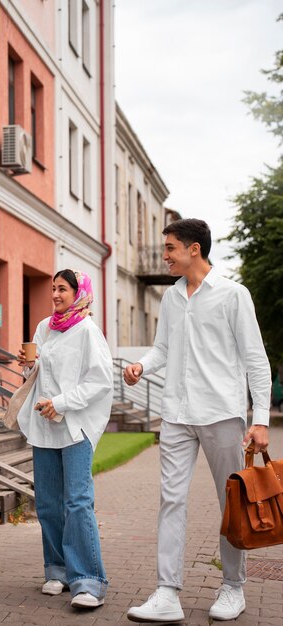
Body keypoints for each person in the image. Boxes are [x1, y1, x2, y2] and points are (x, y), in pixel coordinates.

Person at [124, 219, 271, 623]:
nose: (165, 255)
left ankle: (233, 587)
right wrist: (141, 366)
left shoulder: (233, 295)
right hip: (176, 414)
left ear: (194, 250)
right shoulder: (171, 297)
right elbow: (162, 350)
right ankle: (167, 591)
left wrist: (260, 419)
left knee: (231, 502)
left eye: (170, 247)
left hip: (221, 413)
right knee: (170, 499)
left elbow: (256, 360)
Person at [16, 269, 113, 609]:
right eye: (53, 288)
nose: (55, 294)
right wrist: (28, 366)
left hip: (75, 428)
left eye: (62, 289)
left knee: (77, 502)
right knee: (47, 504)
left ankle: (88, 580)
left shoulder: (87, 330)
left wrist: (61, 403)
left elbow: (100, 381)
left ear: (78, 292)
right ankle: (57, 570)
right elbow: (40, 374)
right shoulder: (44, 327)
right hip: (44, 429)